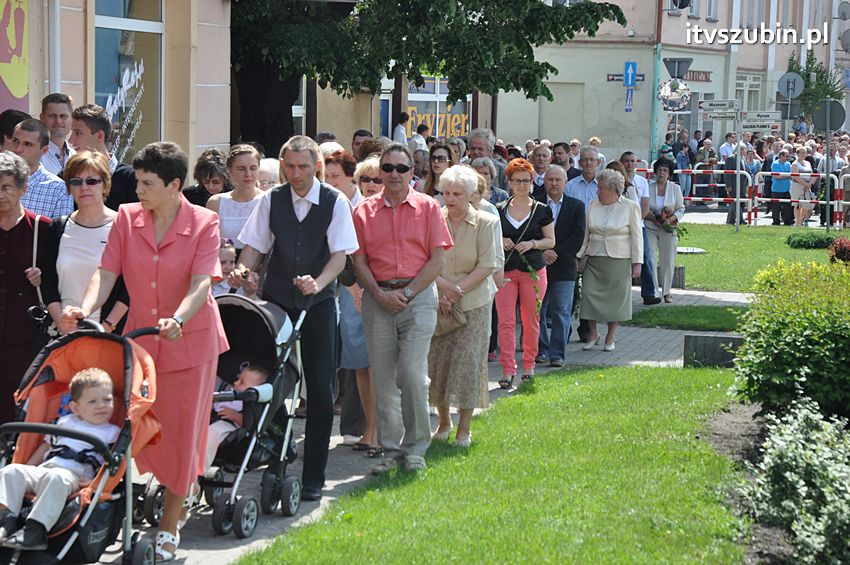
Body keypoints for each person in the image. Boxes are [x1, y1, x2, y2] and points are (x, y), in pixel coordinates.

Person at [61, 142, 229, 562]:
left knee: (181, 436)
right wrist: (87, 306)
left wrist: (179, 318)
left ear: (175, 185)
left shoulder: (204, 221)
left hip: (190, 343)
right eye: (137, 181)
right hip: (142, 345)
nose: (138, 190)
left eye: (147, 183)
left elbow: (201, 283)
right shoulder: (128, 219)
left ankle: (169, 528)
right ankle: (159, 500)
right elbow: (106, 271)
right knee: (136, 431)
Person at [232, 136, 358, 501]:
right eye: (290, 166)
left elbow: (340, 257)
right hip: (277, 300)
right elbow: (254, 246)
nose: (296, 174)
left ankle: (313, 475)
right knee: (272, 381)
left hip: (317, 305)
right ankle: (273, 456)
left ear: (316, 166)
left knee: (320, 390)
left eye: (304, 167)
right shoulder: (271, 199)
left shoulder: (334, 201)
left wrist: (318, 282)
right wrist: (243, 270)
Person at [352, 143, 452, 474]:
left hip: (418, 296)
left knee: (411, 374)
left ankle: (416, 448)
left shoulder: (428, 208)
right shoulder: (363, 211)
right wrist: (379, 294)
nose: (395, 174)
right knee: (382, 379)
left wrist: (407, 293)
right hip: (377, 298)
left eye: (402, 168)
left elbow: (437, 261)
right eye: (388, 167)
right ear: (380, 172)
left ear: (412, 172)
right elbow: (359, 262)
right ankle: (392, 451)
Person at [0, 368, 120, 550]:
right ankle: (5, 521)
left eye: (107, 400)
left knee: (56, 477)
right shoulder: (65, 422)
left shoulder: (112, 432)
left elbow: (111, 463)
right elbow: (46, 447)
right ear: (75, 407)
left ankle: (36, 530)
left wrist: (95, 482)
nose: (101, 406)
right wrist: (26, 467)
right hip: (45, 469)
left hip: (72, 476)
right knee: (10, 471)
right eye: (93, 401)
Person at [428, 166, 498, 448]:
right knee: (439, 363)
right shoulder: (434, 219)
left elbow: (487, 265)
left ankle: (464, 428)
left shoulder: (486, 222)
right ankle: (444, 422)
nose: (450, 198)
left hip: (474, 303)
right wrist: (444, 289)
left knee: (468, 365)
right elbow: (426, 260)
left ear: (471, 194)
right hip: (437, 300)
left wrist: (456, 291)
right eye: (446, 193)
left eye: (457, 193)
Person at [324, 150, 380, 456]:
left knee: (378, 365)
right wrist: (354, 290)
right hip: (349, 293)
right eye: (365, 179)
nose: (371, 185)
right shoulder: (346, 209)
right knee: (358, 362)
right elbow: (344, 258)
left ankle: (377, 428)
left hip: (379, 294)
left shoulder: (373, 211)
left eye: (376, 179)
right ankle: (366, 428)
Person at [41, 151, 128, 338]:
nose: (84, 187)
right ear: (68, 187)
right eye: (75, 181)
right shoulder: (57, 227)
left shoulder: (123, 225)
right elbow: (48, 284)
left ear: (105, 185)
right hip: (63, 335)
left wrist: (106, 326)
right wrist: (62, 325)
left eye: (92, 181)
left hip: (108, 335)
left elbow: (129, 288)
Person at [0, 152, 50, 425]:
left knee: (21, 410)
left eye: (6, 187)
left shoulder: (42, 229)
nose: (0, 194)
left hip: (25, 339)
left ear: (23, 188)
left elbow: (56, 283)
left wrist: (43, 277)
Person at [495, 158, 555, 388]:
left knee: (531, 320)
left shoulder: (542, 210)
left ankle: (528, 366)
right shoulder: (499, 209)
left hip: (534, 270)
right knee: (506, 322)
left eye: (526, 181)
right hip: (507, 271)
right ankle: (507, 369)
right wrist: (501, 240)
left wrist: (532, 244)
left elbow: (550, 240)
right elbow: (491, 238)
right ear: (509, 182)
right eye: (517, 181)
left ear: (532, 182)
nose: (522, 185)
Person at [577, 169, 643, 351]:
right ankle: (593, 333)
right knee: (589, 295)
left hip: (618, 258)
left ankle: (610, 336)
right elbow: (586, 234)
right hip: (593, 257)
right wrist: (579, 255)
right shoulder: (592, 204)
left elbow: (637, 236)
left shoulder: (630, 206)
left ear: (613, 189)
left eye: (601, 187)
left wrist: (637, 263)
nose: (597, 190)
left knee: (616, 299)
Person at [536, 165, 585, 368]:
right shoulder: (535, 205)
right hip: (538, 264)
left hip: (564, 266)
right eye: (550, 180)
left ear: (565, 183)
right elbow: (529, 232)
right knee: (537, 310)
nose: (554, 184)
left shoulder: (576, 206)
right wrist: (542, 251)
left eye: (558, 180)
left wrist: (555, 252)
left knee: (561, 311)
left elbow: (578, 236)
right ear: (544, 181)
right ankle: (541, 350)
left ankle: (557, 354)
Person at [68, 104, 137, 210]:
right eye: (78, 182)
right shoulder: (67, 176)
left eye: (78, 133)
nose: (71, 140)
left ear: (100, 136)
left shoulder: (131, 178)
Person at [204, 365, 269, 473]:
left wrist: (235, 416)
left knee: (212, 434)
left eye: (242, 382)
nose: (236, 383)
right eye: (238, 379)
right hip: (213, 420)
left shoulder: (250, 405)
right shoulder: (229, 393)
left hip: (230, 426)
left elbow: (251, 425)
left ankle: (198, 470)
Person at [207, 144, 264, 252]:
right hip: (224, 264)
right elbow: (209, 244)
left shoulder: (267, 200)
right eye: (241, 169)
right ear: (230, 171)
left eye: (253, 168)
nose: (248, 174)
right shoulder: (216, 203)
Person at [12, 119, 73, 218]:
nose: (18, 149)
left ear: (44, 150)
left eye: (27, 144)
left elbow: (59, 231)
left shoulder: (58, 189)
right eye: (15, 141)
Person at [620, 151, 658, 305]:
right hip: (620, 226)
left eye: (632, 161)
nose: (629, 164)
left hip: (638, 226)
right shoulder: (617, 180)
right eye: (626, 161)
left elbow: (645, 207)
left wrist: (635, 222)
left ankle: (648, 293)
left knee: (645, 257)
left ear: (637, 163)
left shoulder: (642, 182)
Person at [646, 158, 685, 303]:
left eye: (665, 170)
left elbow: (681, 209)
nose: (661, 173)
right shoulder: (648, 187)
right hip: (650, 227)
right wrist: (653, 217)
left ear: (669, 173)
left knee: (668, 260)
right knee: (650, 258)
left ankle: (667, 292)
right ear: (655, 171)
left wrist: (671, 219)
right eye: (659, 170)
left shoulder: (675, 189)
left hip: (668, 228)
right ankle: (654, 291)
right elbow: (644, 207)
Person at [38, 93, 75, 176]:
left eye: (63, 116)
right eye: (52, 116)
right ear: (42, 118)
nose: (58, 121)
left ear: (72, 119)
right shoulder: (35, 155)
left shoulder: (75, 156)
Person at [566, 146, 600, 212]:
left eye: (592, 159)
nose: (588, 163)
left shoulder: (604, 185)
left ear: (598, 162)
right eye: (585, 160)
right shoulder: (570, 186)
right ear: (579, 163)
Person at [790, 146, 816, 227]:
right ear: (797, 154)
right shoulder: (794, 164)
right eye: (802, 153)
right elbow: (795, 177)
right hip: (797, 186)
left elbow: (812, 174)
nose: (804, 154)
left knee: (807, 205)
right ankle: (798, 223)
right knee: (798, 205)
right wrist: (805, 184)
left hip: (807, 187)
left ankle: (802, 220)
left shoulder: (808, 163)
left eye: (805, 152)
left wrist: (809, 184)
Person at [770, 149, 794, 226]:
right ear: (781, 156)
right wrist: (787, 175)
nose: (788, 157)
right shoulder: (775, 164)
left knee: (787, 207)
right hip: (777, 189)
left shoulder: (788, 164)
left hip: (787, 189)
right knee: (776, 207)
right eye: (786, 156)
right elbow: (777, 176)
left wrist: (785, 175)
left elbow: (791, 175)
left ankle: (787, 221)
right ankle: (776, 222)